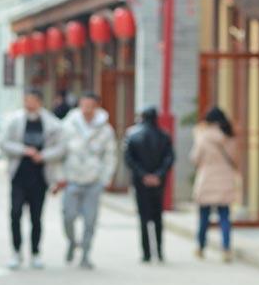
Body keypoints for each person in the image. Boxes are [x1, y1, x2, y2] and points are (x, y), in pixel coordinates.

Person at [2, 89, 64, 270]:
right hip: (19, 176)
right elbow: (4, 143)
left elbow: (61, 148)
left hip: (40, 177)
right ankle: (16, 252)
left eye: (32, 101)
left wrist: (43, 156)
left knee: (36, 217)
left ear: (39, 102)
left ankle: (36, 252)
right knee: (15, 214)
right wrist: (24, 150)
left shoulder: (52, 123)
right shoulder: (14, 120)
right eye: (26, 100)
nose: (28, 104)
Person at [58, 92, 117, 269]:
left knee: (90, 220)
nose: (86, 109)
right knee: (68, 216)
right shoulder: (68, 125)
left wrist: (106, 177)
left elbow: (110, 155)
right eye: (83, 105)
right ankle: (71, 242)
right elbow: (59, 152)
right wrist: (59, 177)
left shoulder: (105, 129)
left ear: (97, 106)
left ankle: (85, 253)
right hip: (72, 178)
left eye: (90, 106)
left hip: (93, 180)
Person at [123, 107, 174, 263]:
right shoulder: (164, 135)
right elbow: (169, 158)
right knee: (158, 218)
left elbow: (129, 159)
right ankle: (159, 252)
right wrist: (158, 175)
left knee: (144, 217)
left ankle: (146, 253)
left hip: (141, 182)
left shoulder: (133, 135)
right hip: (158, 182)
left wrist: (143, 175)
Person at [190, 107, 239, 262]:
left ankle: (200, 247)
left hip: (207, 179)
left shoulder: (203, 136)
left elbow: (195, 158)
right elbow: (235, 158)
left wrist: (197, 136)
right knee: (224, 216)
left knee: (204, 217)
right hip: (225, 179)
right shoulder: (229, 135)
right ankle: (226, 249)